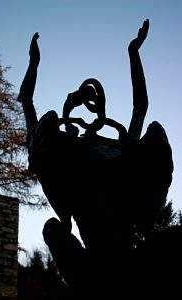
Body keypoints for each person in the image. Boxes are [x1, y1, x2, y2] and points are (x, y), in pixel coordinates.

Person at [18, 20, 173, 298]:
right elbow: (26, 102)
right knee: (53, 230)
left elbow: (141, 107)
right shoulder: (64, 152)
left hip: (130, 261)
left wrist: (133, 51)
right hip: (95, 267)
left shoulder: (126, 149)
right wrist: (33, 63)